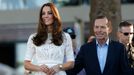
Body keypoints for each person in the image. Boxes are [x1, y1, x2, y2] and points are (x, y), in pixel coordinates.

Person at [66, 15, 130, 75]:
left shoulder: (119, 48)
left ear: (109, 29)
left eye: (102, 27)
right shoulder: (85, 49)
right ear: (94, 28)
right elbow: (73, 70)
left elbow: (126, 72)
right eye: (96, 27)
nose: (99, 30)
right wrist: (59, 68)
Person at [24, 3, 74, 75]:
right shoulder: (33, 37)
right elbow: (26, 64)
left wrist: (59, 67)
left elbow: (71, 63)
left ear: (55, 15)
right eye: (43, 14)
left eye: (49, 13)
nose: (46, 16)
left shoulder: (65, 37)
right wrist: (39, 68)